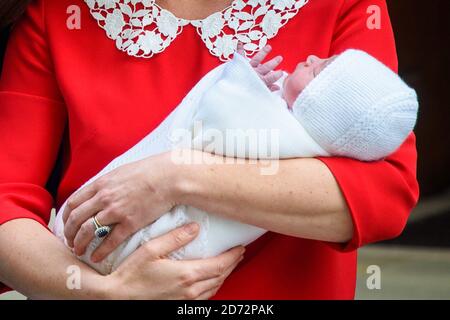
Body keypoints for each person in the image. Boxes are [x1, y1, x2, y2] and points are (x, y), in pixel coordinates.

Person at [0, 0, 419, 299]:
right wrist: (106, 294)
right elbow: (5, 202)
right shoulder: (60, 13)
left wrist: (173, 178)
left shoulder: (342, 5)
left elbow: (382, 193)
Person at [56, 47, 418, 275]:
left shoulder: (282, 134)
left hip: (159, 241)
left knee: (99, 231)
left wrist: (243, 79)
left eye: (321, 71)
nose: (313, 57)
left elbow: (217, 117)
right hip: (176, 258)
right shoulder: (307, 143)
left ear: (322, 108)